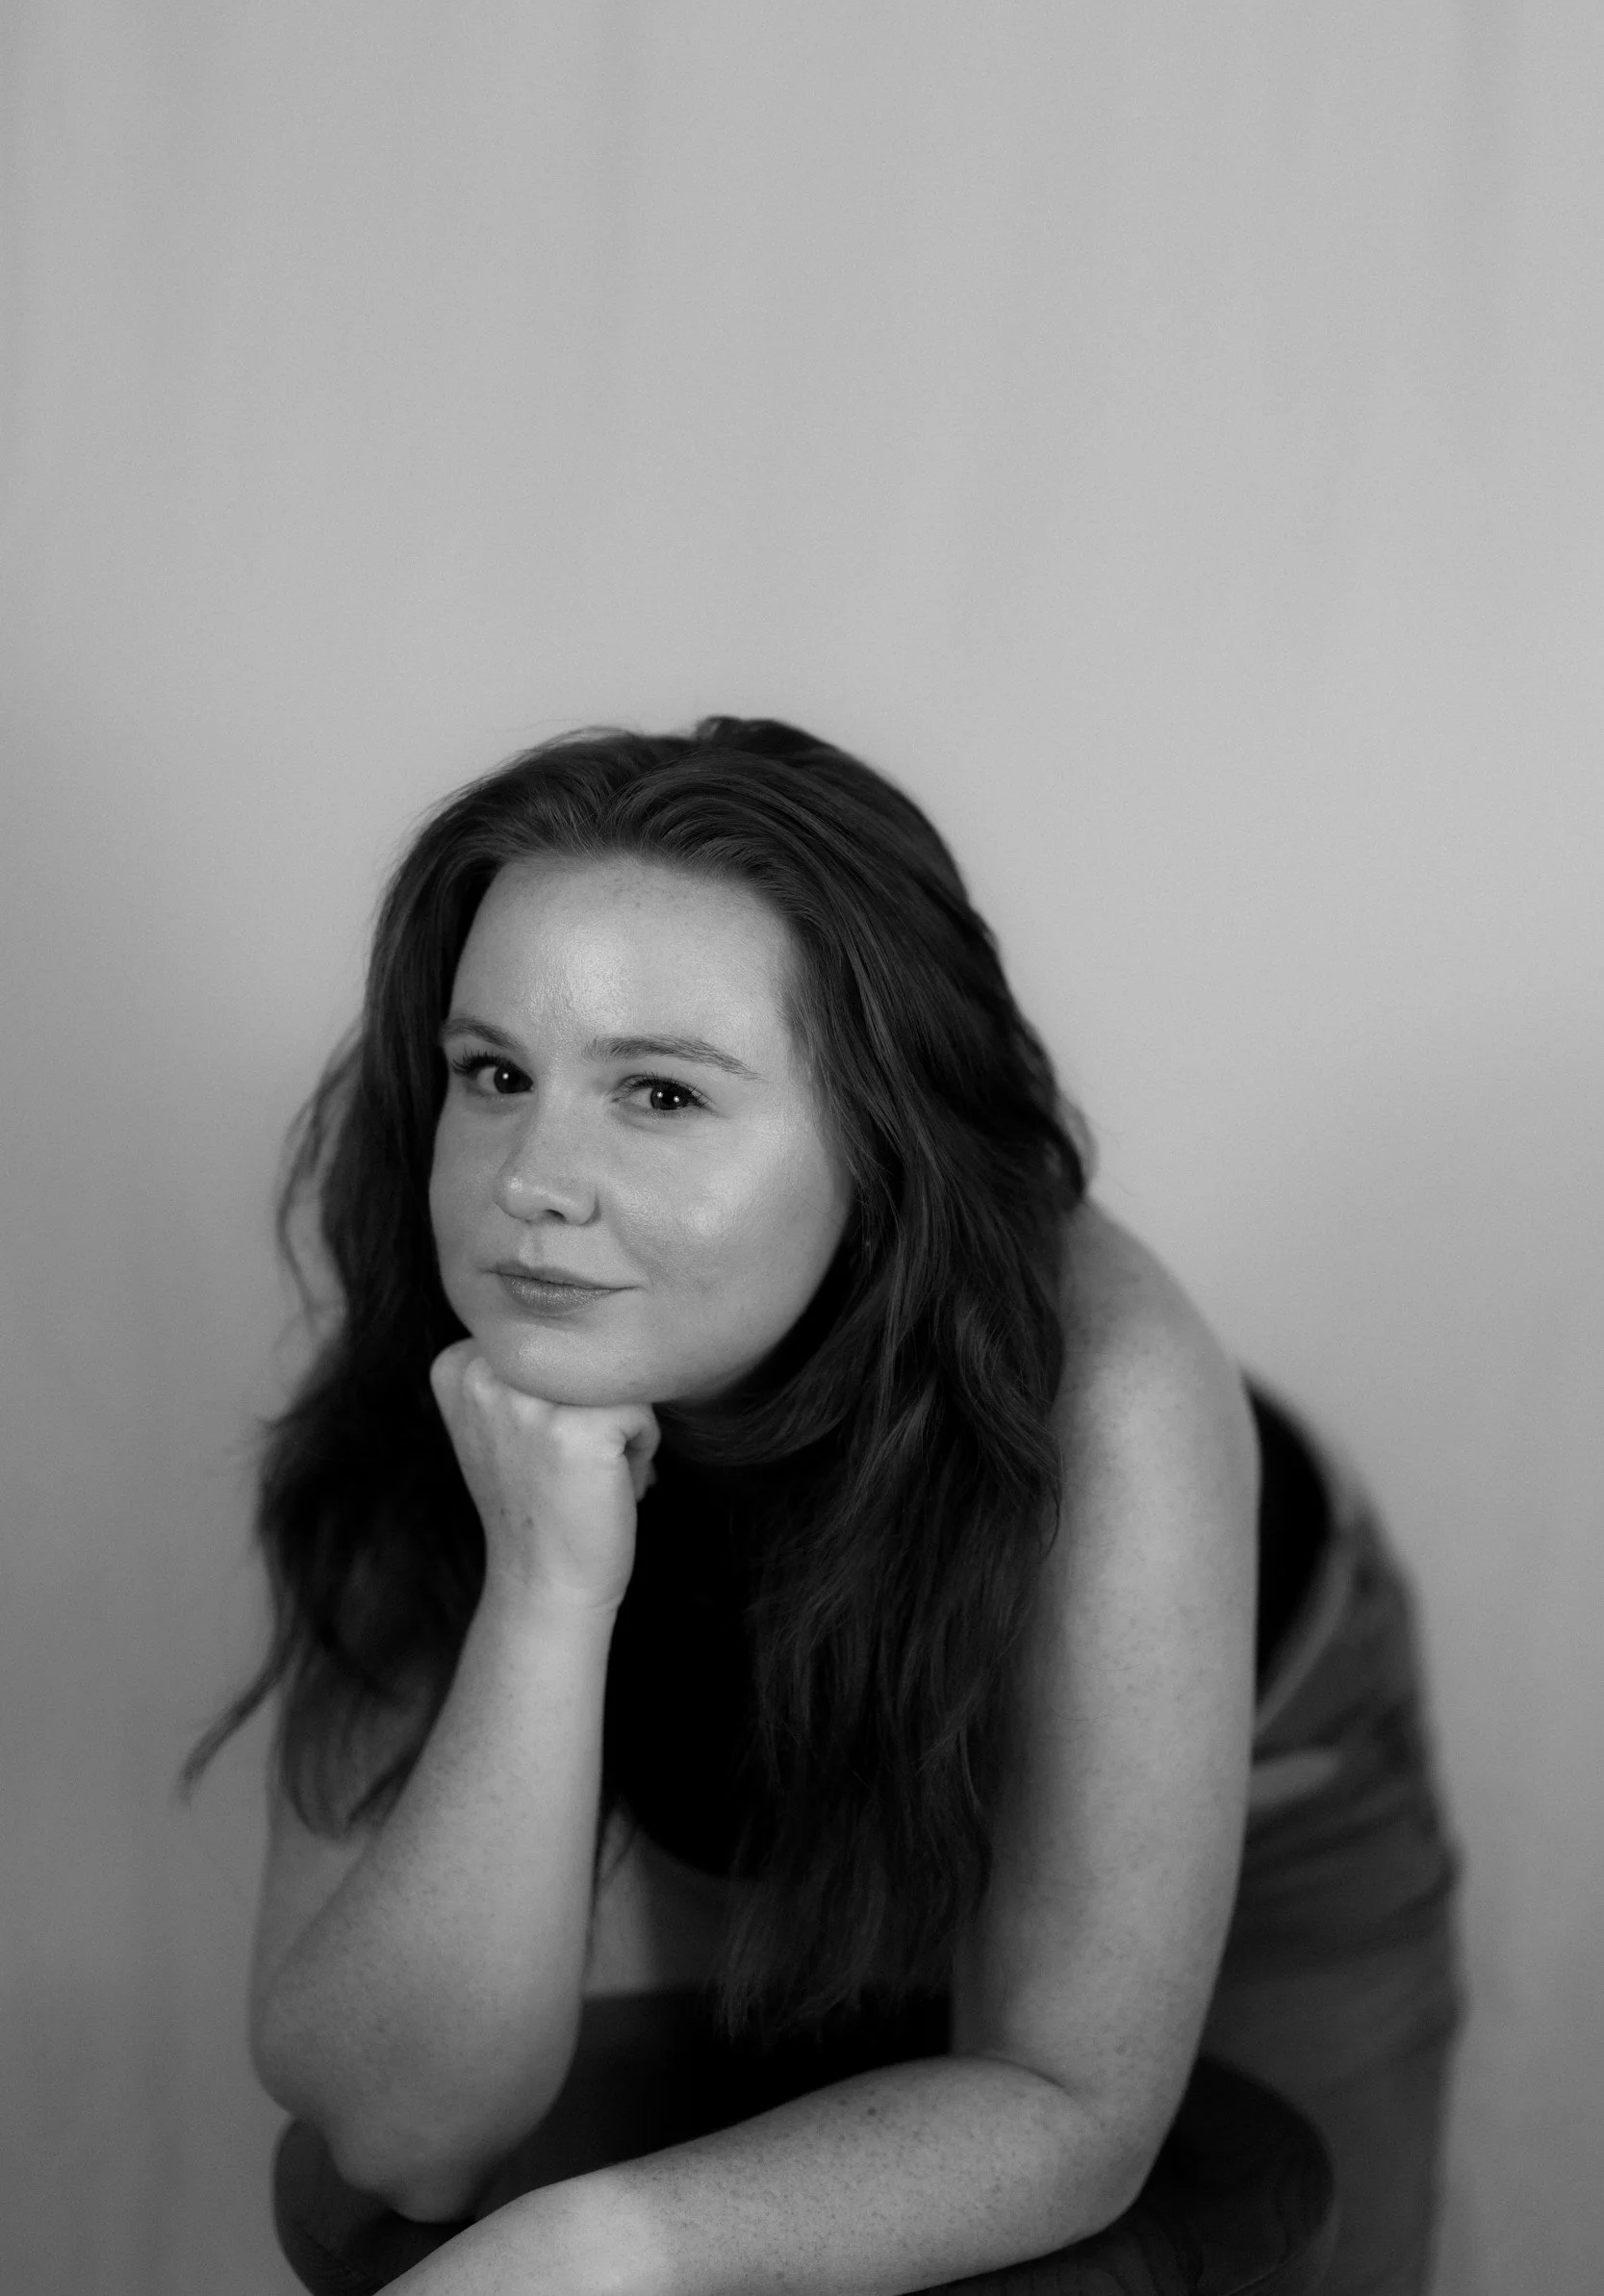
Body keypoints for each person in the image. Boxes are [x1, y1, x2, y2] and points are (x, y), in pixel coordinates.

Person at [185, 716, 1464, 2296]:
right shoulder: (462, 1358)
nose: (531, 1179)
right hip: (773, 1772)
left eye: (658, 1095)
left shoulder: (1108, 1393)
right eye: (493, 1071)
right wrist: (544, 1588)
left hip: (1265, 1780)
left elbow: (1068, 2100)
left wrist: (583, 2249)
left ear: (882, 1142)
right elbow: (402, 2136)